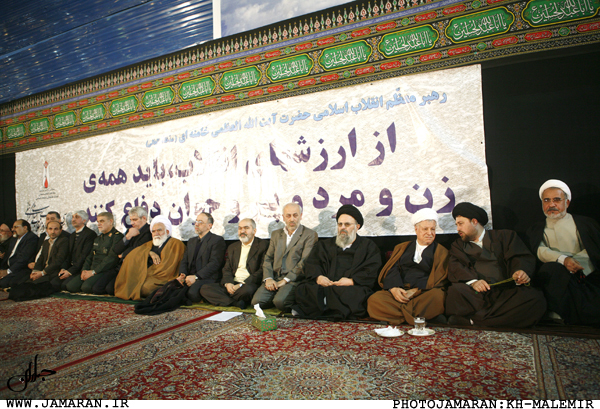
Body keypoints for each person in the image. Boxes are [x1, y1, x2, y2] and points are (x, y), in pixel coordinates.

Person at [445, 202, 546, 327]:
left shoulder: (505, 236)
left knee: (534, 298)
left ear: (474, 221)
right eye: (456, 225)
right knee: (456, 291)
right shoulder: (458, 245)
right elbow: (457, 267)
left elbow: (519, 257)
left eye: (461, 224)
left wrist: (520, 271)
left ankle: (474, 321)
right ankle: (495, 320)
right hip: (477, 295)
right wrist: (474, 282)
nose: (458, 229)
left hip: (506, 294)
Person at [527, 179, 600, 325]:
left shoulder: (586, 224)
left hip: (583, 274)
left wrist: (576, 265)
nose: (551, 204)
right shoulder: (536, 229)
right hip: (554, 276)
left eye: (556, 200)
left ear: (567, 203)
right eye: (546, 200)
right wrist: (563, 260)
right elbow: (540, 250)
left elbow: (593, 250)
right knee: (553, 270)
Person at [292, 205, 382, 320]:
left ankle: (322, 307)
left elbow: (372, 269)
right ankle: (330, 307)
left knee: (357, 294)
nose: (342, 228)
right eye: (340, 224)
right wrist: (319, 277)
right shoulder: (325, 245)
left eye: (347, 224)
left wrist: (351, 281)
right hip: (326, 285)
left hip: (349, 287)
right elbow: (312, 264)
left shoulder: (368, 247)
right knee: (304, 289)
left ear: (357, 227)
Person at [367, 208, 449, 325]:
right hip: (401, 292)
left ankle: (399, 316)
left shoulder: (441, 251)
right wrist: (394, 288)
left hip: (423, 293)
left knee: (438, 297)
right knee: (375, 299)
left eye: (433, 229)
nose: (430, 233)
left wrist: (416, 291)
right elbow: (392, 269)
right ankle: (418, 316)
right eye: (425, 229)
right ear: (416, 229)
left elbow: (439, 279)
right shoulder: (402, 247)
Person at [251, 203, 318, 311]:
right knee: (256, 303)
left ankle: (282, 298)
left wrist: (286, 280)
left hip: (294, 279)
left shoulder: (310, 235)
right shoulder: (276, 234)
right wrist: (268, 278)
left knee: (280, 302)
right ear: (283, 217)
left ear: (301, 216)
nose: (292, 219)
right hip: (275, 277)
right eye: (288, 215)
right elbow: (268, 258)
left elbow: (304, 262)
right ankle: (277, 296)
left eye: (295, 215)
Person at [200, 219, 269, 309]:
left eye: (246, 228)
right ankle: (235, 302)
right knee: (205, 288)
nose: (242, 231)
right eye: (240, 228)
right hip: (233, 282)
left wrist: (241, 285)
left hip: (248, 283)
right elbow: (227, 268)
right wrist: (228, 283)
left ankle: (225, 300)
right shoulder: (233, 247)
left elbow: (262, 269)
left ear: (254, 231)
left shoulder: (263, 245)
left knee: (248, 291)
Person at [114, 215, 185, 300]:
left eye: (159, 230)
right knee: (125, 284)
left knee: (145, 288)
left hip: (162, 277)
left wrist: (149, 274)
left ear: (167, 231)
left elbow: (169, 267)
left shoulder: (176, 244)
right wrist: (148, 252)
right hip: (147, 275)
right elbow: (133, 254)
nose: (156, 233)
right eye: (153, 231)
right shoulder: (149, 244)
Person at [65, 212, 123, 294]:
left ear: (110, 221)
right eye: (98, 221)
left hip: (104, 270)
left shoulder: (117, 237)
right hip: (92, 269)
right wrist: (84, 270)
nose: (99, 224)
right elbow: (90, 256)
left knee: (86, 287)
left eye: (102, 221)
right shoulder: (98, 238)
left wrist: (94, 272)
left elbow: (111, 259)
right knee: (70, 286)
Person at [179, 212, 226, 302]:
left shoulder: (216, 240)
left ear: (209, 226)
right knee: (174, 289)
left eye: (200, 222)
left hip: (206, 277)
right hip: (190, 276)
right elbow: (184, 261)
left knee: (191, 293)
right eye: (196, 221)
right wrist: (183, 274)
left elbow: (214, 264)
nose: (196, 224)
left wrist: (196, 277)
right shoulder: (191, 241)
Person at [105, 206, 152, 295]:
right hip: (120, 266)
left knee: (110, 289)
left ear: (144, 218)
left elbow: (137, 249)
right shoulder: (130, 231)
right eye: (131, 220)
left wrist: (123, 254)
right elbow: (116, 250)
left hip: (133, 268)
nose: (132, 223)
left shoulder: (149, 232)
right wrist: (128, 236)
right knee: (97, 287)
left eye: (135, 220)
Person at [54, 210, 97, 291]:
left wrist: (70, 272)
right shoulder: (72, 235)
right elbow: (68, 254)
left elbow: (84, 256)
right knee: (55, 282)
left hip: (81, 269)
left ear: (84, 220)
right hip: (71, 267)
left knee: (66, 286)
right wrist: (64, 268)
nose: (73, 219)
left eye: (77, 217)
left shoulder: (90, 234)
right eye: (73, 217)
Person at [0, 220, 39, 288]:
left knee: (4, 283)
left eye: (16, 227)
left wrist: (8, 271)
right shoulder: (14, 239)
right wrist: (2, 270)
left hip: (20, 269)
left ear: (25, 228)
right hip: (9, 268)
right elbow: (8, 256)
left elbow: (24, 258)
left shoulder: (31, 238)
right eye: (13, 227)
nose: (13, 229)